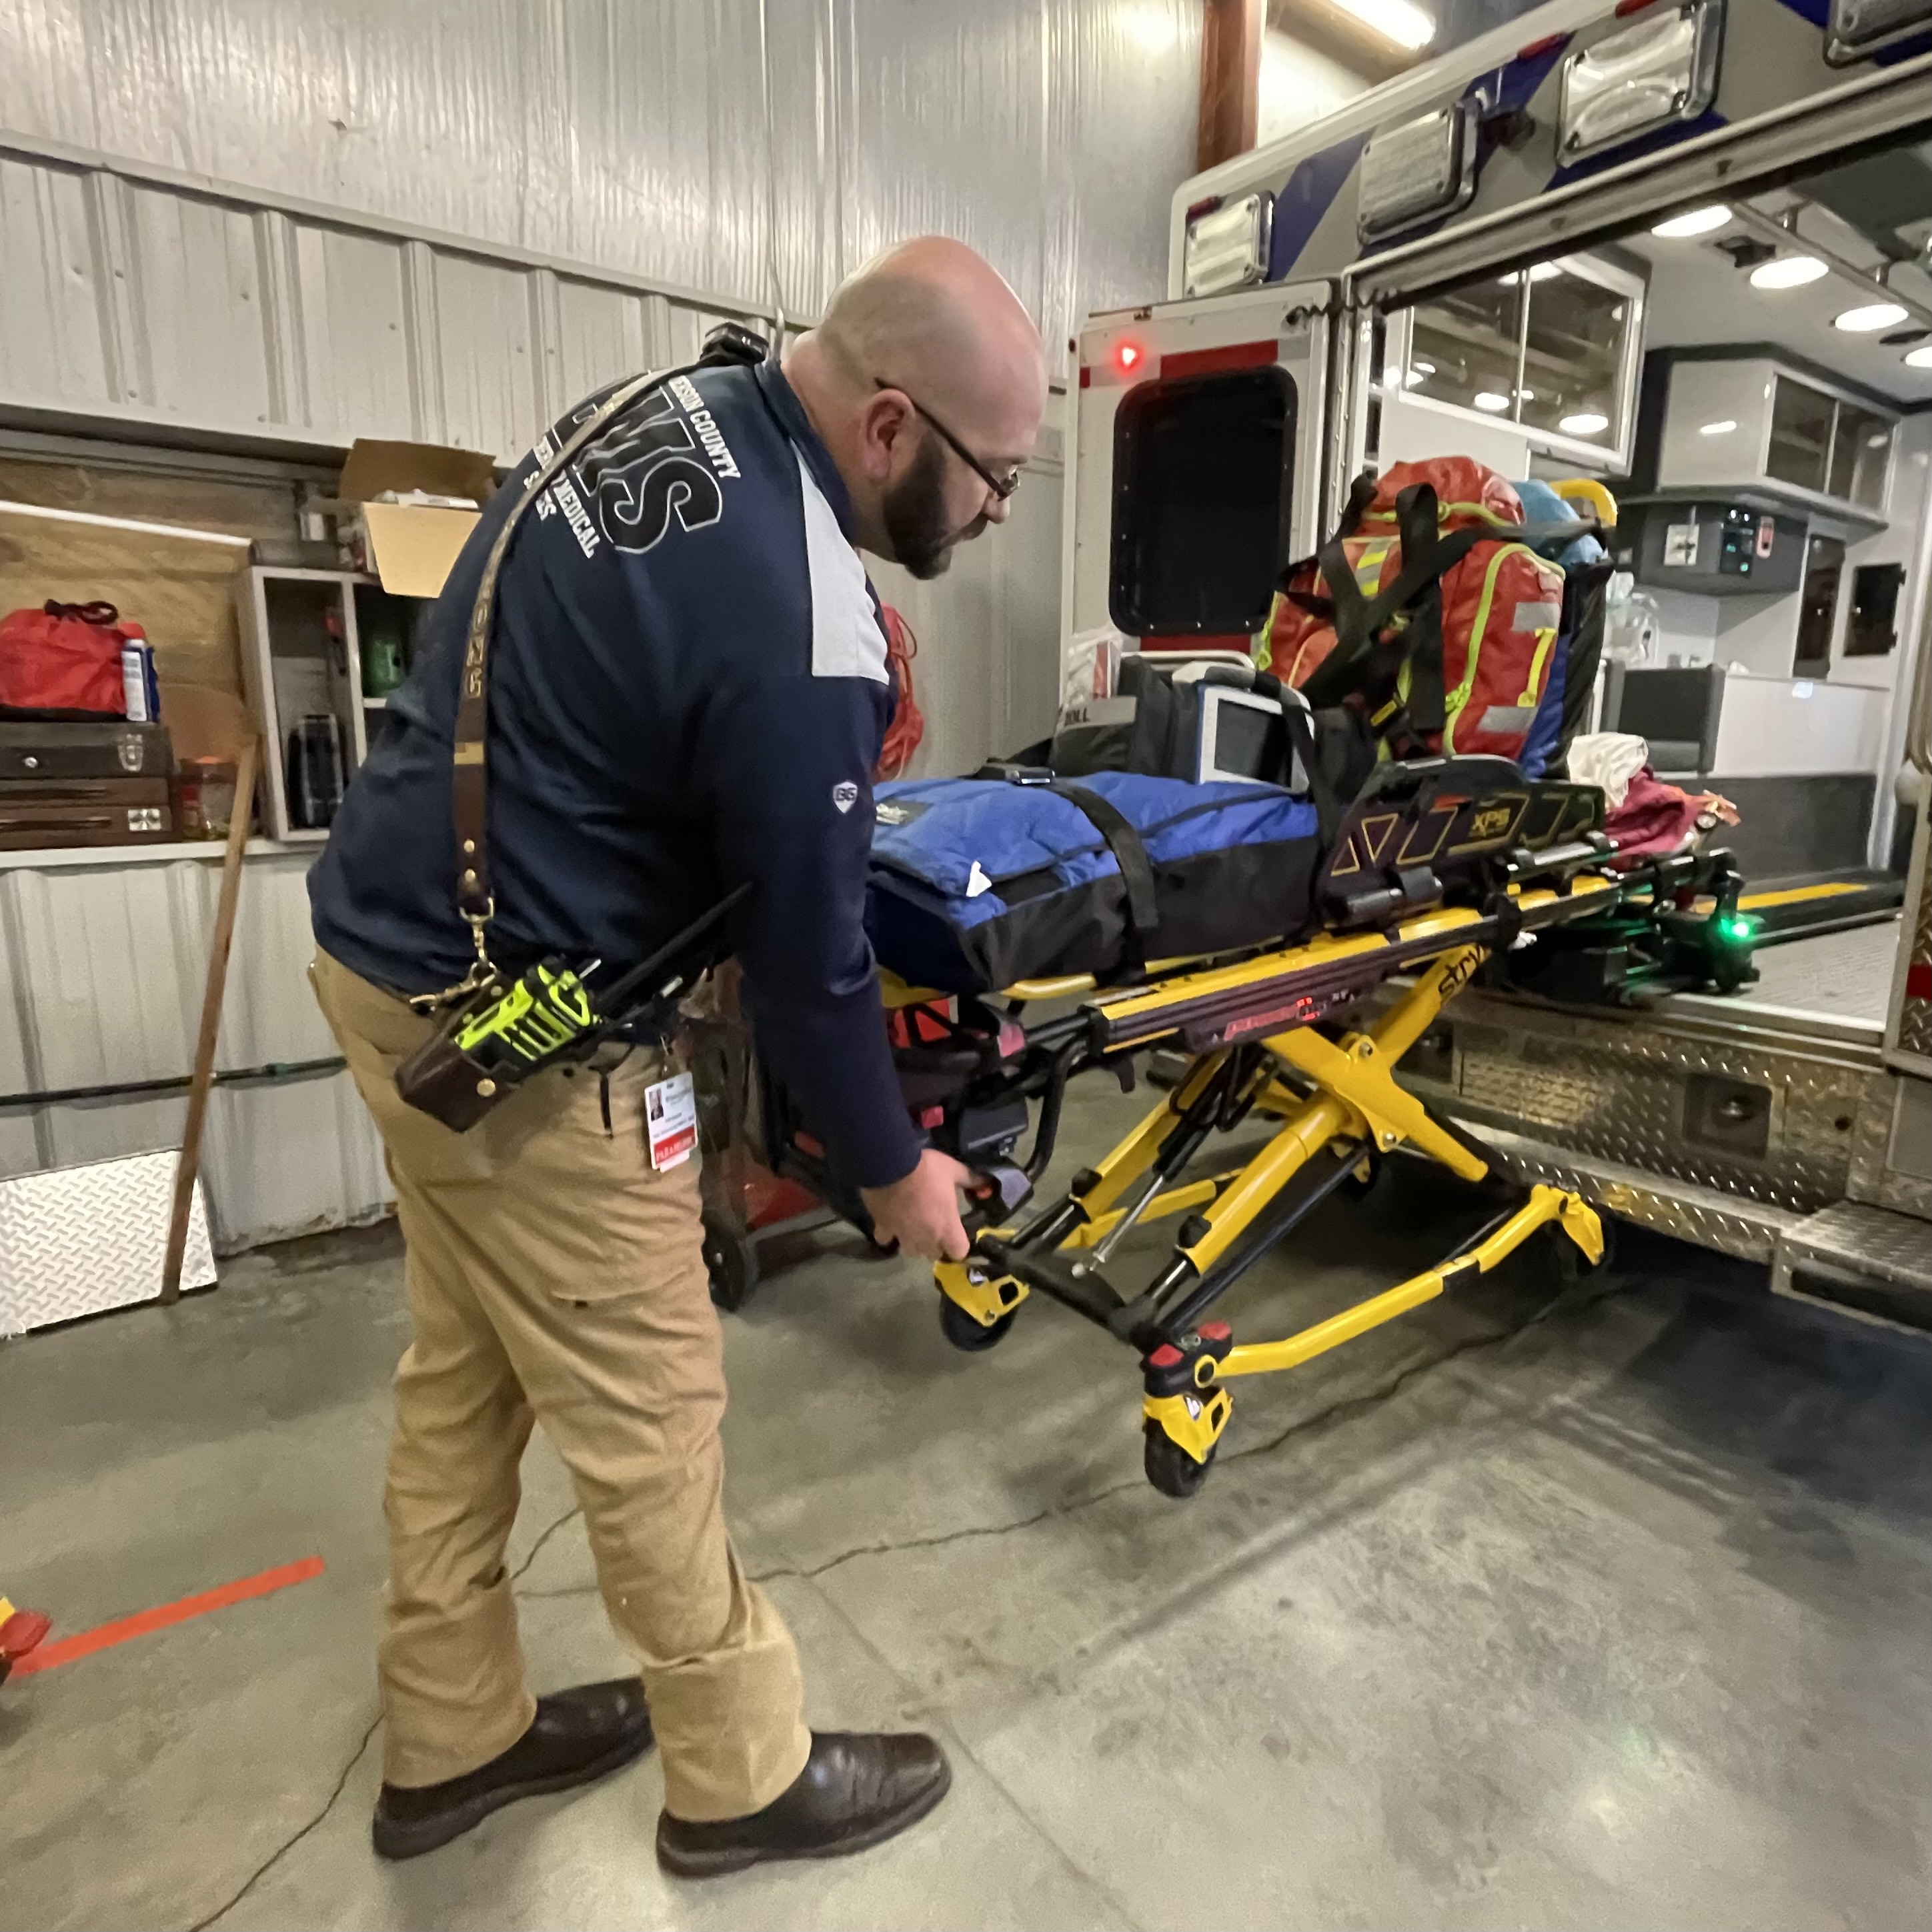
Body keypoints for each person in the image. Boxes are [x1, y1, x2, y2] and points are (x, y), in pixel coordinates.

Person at [305, 236, 1048, 1875]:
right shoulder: (810, 618)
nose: (1000, 511)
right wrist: (894, 1172)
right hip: (528, 1041)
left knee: (468, 1371)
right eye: (996, 474)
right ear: (889, 423)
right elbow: (812, 964)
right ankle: (740, 1778)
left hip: (386, 970)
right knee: (650, 1408)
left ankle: (451, 1733)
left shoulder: (663, 403)